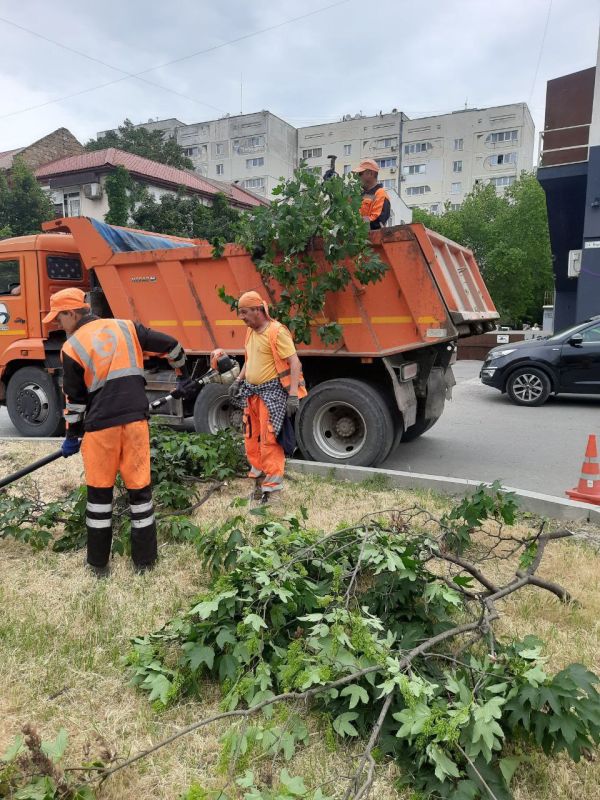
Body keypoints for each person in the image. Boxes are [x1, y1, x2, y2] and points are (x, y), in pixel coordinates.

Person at [43, 287, 197, 577]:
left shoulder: (72, 348)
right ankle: (145, 563)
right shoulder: (127, 327)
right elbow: (172, 345)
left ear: (71, 313)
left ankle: (99, 566)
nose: (57, 324)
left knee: (99, 499)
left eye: (58, 318)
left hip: (101, 430)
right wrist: (182, 376)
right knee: (141, 494)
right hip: (136, 424)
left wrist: (71, 437)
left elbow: (74, 402)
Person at [228, 291, 306, 503]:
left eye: (244, 312)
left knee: (270, 442)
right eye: (240, 313)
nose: (241, 317)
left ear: (257, 310)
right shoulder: (251, 332)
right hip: (252, 394)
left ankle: (273, 492)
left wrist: (292, 396)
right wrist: (238, 380)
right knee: (251, 440)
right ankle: (259, 484)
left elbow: (295, 362)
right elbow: (249, 360)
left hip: (271, 395)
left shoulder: (276, 331)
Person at [355, 159, 391, 229]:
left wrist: (357, 222)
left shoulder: (380, 194)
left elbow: (377, 222)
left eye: (360, 174)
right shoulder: (361, 195)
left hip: (371, 235)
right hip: (359, 234)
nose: (358, 177)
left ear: (370, 173)